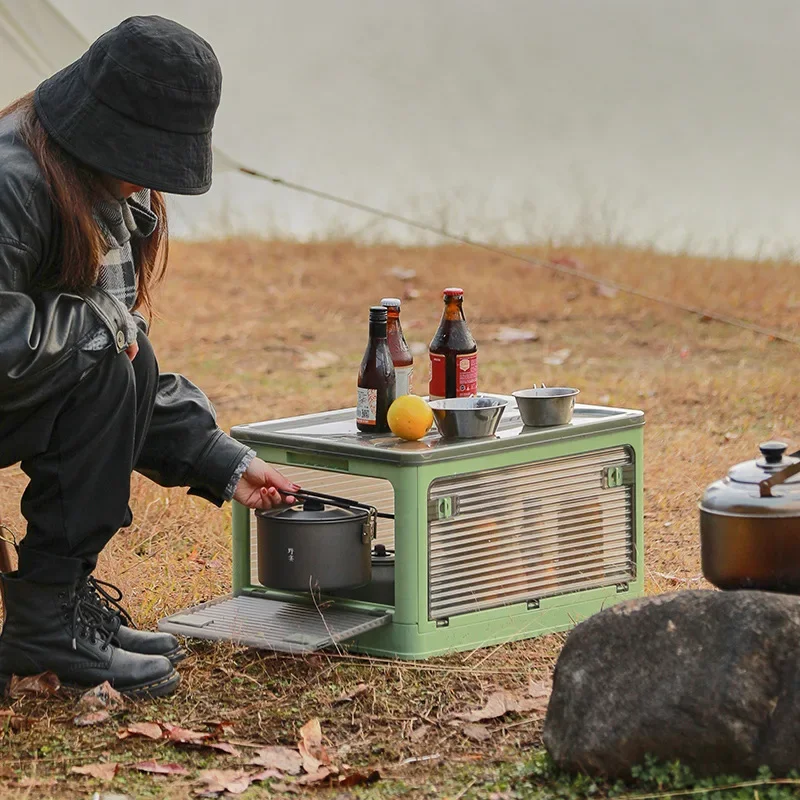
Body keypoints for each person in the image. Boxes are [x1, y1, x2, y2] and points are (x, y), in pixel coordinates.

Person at [0, 16, 298, 699]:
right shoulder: (12, 182)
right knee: (104, 344)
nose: (149, 177)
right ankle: (45, 620)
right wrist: (96, 328)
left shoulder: (101, 195)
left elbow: (122, 361)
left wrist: (225, 460)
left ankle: (59, 602)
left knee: (120, 351)